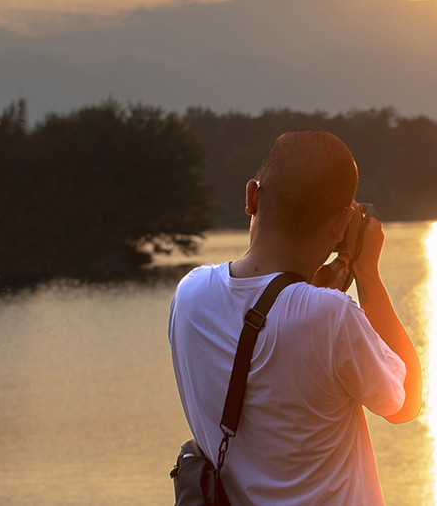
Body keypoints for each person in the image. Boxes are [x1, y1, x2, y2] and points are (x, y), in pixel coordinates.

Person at [169, 130, 422, 505]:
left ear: (252, 195)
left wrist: (318, 286)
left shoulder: (189, 296)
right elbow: (405, 404)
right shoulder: (332, 318)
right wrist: (367, 274)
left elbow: (272, 322)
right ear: (340, 225)